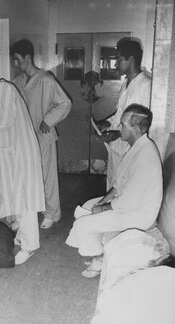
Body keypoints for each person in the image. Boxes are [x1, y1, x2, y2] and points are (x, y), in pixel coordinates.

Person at [66, 104, 163, 278]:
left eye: (123, 125)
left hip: (139, 215)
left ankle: (102, 258)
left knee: (83, 224)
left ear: (135, 128)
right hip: (129, 206)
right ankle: (104, 251)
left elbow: (129, 202)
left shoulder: (145, 155)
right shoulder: (137, 147)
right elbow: (119, 184)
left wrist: (103, 208)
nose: (119, 129)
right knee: (86, 207)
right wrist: (103, 200)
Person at [0, 66, 45, 265]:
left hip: (21, 153)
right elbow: (3, 124)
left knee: (25, 199)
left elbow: (3, 121)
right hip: (15, 153)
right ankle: (23, 237)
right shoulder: (1, 92)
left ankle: (30, 246)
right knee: (19, 197)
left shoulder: (4, 89)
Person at [10, 39, 72, 229]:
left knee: (47, 176)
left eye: (18, 59)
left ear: (28, 58)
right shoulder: (17, 82)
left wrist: (48, 120)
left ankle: (51, 213)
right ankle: (27, 212)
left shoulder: (46, 79)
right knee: (26, 176)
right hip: (24, 137)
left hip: (43, 135)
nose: (16, 64)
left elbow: (65, 103)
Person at [96, 38, 151, 189]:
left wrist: (118, 133)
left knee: (124, 191)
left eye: (119, 59)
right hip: (117, 150)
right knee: (112, 188)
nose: (115, 64)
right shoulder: (126, 85)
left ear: (131, 59)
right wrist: (108, 122)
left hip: (130, 150)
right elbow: (121, 113)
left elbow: (142, 124)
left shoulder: (145, 85)